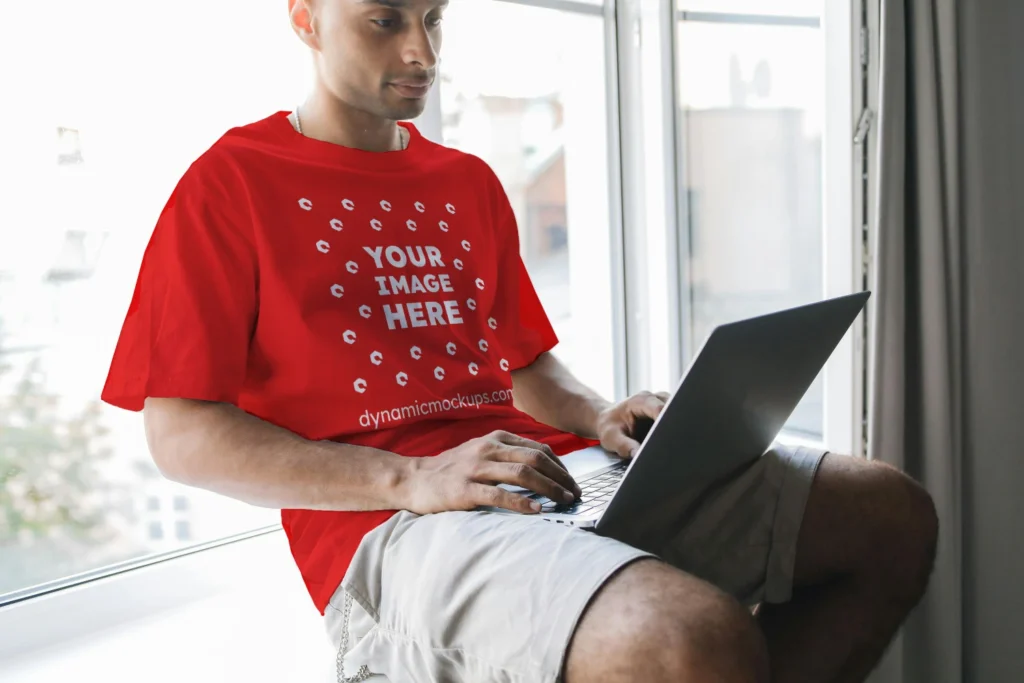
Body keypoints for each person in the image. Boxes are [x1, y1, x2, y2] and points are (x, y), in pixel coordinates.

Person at [100, 1, 939, 681]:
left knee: (888, 515)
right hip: (389, 524)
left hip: (543, 473)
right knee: (694, 640)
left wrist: (600, 413)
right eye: (385, 20)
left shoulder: (464, 181)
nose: (421, 50)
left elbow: (527, 364)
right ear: (305, 17)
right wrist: (412, 475)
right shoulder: (230, 184)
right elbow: (182, 434)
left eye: (435, 18)